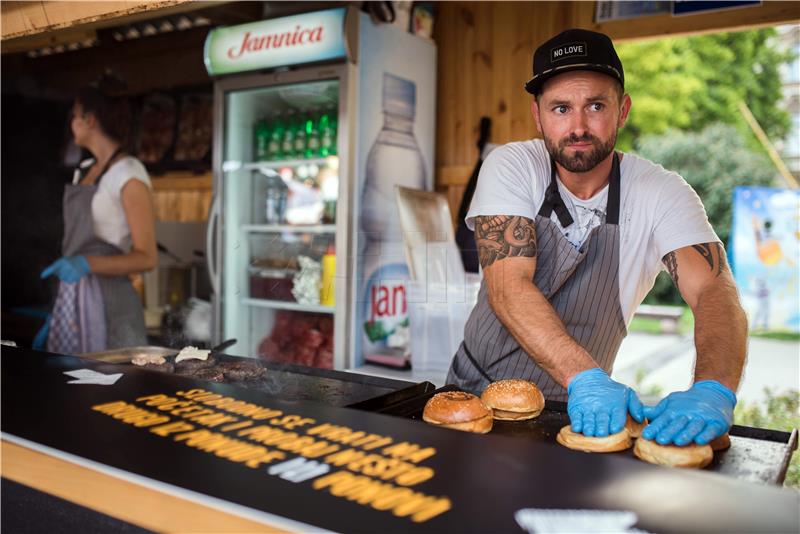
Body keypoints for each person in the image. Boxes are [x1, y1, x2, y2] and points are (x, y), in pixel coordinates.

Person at [446, 29, 747, 447]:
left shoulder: (662, 193)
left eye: (596, 106)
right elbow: (507, 286)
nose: (578, 126)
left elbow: (714, 291)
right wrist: (587, 378)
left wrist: (714, 389)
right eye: (561, 108)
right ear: (538, 116)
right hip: (473, 399)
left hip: (585, 417)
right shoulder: (513, 166)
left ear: (622, 110)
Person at [40, 73, 156, 353]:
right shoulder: (84, 171)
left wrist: (86, 264)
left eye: (75, 115)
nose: (72, 123)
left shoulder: (128, 175)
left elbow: (147, 257)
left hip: (112, 303)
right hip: (73, 300)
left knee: (112, 388)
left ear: (90, 120)